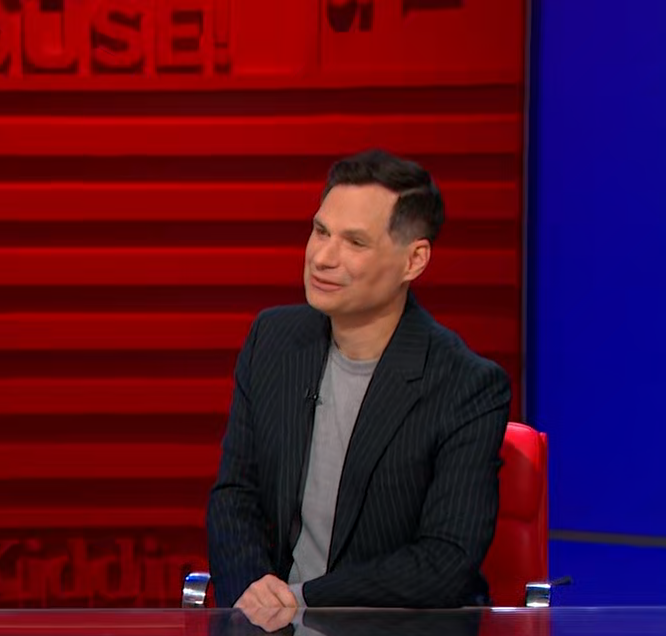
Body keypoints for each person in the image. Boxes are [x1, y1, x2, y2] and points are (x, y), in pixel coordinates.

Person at [206, 149, 511, 610]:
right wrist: (253, 594)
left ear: (414, 260)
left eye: (355, 242)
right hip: (272, 635)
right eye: (320, 231)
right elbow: (235, 496)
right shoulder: (272, 340)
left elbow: (445, 560)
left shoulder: (465, 385)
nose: (323, 257)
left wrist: (301, 601)